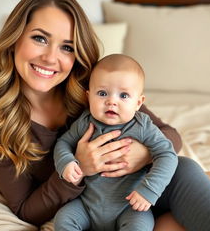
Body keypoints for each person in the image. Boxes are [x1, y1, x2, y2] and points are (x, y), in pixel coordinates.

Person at [0, 0, 210, 230]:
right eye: (39, 38)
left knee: (185, 169)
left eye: (67, 47)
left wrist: (143, 155)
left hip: (141, 197)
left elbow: (169, 135)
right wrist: (79, 168)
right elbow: (25, 210)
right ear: (14, 38)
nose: (51, 58)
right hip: (88, 210)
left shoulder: (95, 88)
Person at [53, 54, 178, 231]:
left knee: (139, 228)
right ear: (88, 97)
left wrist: (150, 190)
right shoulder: (85, 122)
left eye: (124, 95)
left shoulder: (142, 126)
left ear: (138, 102)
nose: (112, 101)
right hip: (88, 205)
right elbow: (63, 143)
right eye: (102, 93)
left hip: (130, 206)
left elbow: (167, 155)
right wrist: (66, 162)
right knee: (63, 220)